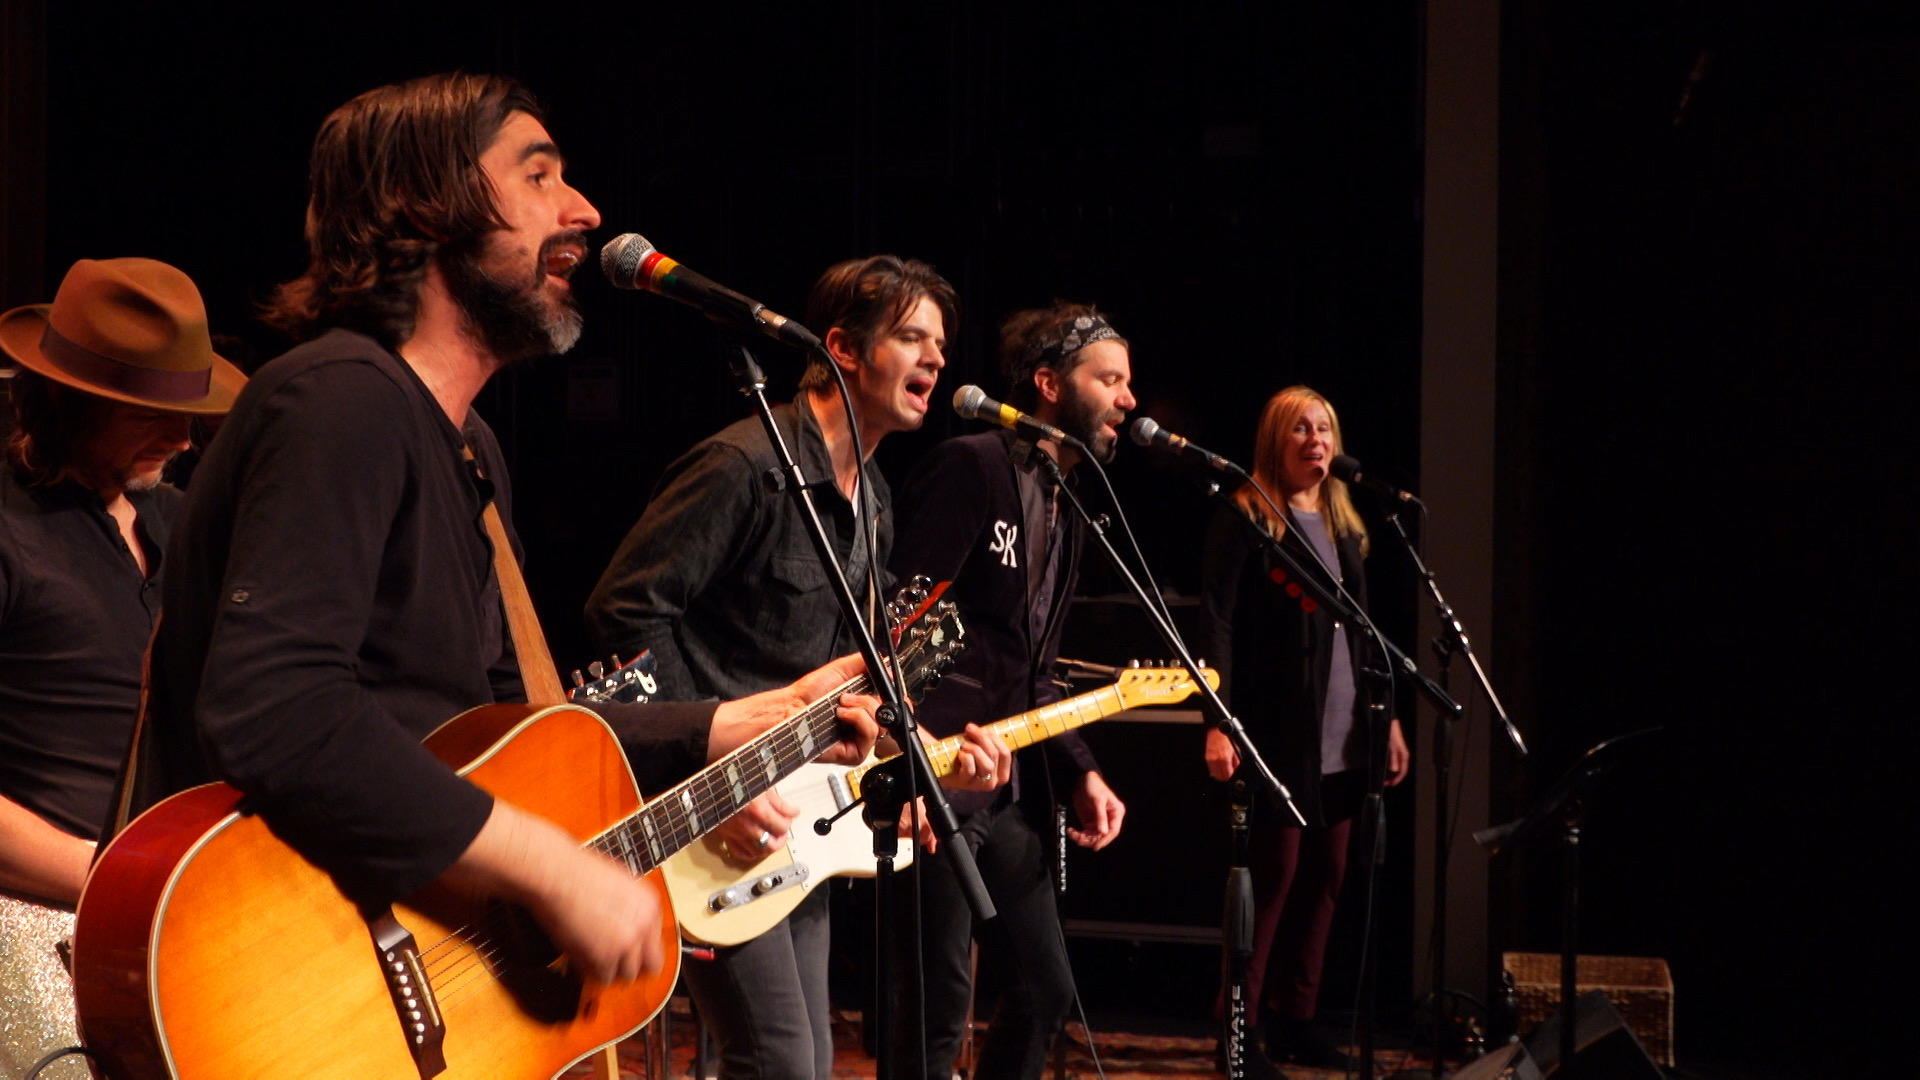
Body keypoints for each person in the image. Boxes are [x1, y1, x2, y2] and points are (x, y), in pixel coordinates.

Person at [127, 72, 881, 990]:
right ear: (422, 205)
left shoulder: (469, 448)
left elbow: (499, 732)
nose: (584, 210)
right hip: (283, 971)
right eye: (538, 177)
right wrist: (548, 866)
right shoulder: (339, 398)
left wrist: (720, 726)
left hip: (397, 961)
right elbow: (276, 709)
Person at [584, 255, 1009, 1079]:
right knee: (778, 1058)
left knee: (807, 1059)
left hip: (795, 820)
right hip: (707, 816)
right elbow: (624, 611)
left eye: (941, 344)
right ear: (844, 348)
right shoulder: (744, 467)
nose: (936, 359)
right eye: (913, 337)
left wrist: (930, 762)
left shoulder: (877, 500)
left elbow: (853, 675)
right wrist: (702, 779)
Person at [0, 256, 244, 1078]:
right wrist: (109, 881)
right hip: (36, 935)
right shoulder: (8, 526)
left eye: (190, 415)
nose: (182, 439)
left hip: (179, 932)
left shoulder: (180, 524)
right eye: (152, 414)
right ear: (71, 399)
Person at [887, 302, 1135, 1080]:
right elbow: (896, 624)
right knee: (933, 1013)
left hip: (1012, 787)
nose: (1129, 400)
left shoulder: (1066, 510)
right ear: (1048, 385)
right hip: (937, 778)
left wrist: (1082, 767)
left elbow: (1039, 670)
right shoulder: (974, 465)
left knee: (1043, 988)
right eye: (1112, 379)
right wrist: (915, 755)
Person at [1197, 385, 1410, 1071]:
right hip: (1277, 727)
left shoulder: (1344, 522)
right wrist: (1218, 722)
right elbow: (1218, 623)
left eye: (1324, 429)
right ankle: (1240, 1031)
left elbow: (1368, 633)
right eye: (1300, 431)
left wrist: (1391, 720)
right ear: (1274, 443)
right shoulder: (1247, 517)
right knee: (1276, 876)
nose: (1315, 441)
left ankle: (1297, 1016)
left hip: (1347, 726)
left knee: (1328, 875)